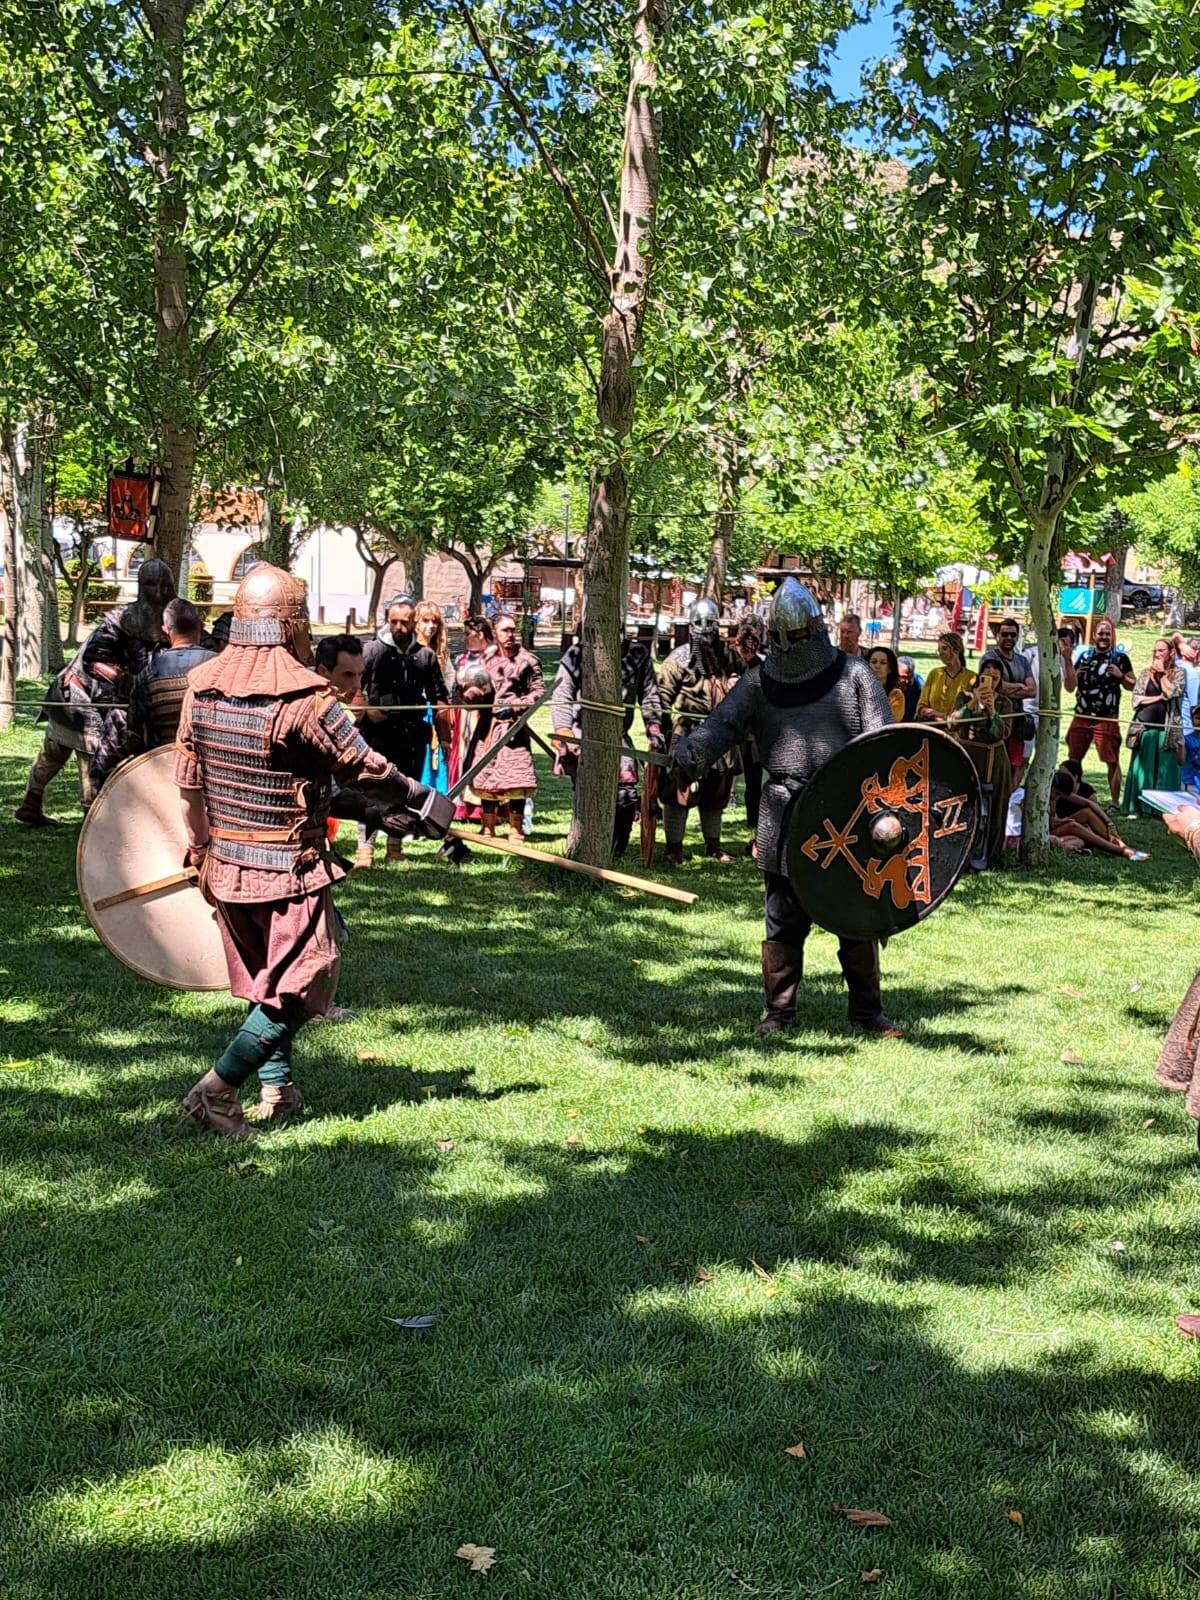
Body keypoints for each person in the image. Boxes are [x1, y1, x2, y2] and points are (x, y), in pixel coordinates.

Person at [175, 564, 451, 1137]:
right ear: (294, 626)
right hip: (288, 871)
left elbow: (189, 786)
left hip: (225, 868)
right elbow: (365, 767)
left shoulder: (201, 689)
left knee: (268, 983)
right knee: (304, 984)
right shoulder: (308, 700)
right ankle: (216, 1091)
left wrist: (200, 849)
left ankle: (277, 1089)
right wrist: (421, 798)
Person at [673, 579, 896, 1035]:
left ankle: (867, 1012)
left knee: (855, 915)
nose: (792, 645)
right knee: (783, 918)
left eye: (797, 636)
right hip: (786, 810)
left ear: (814, 630)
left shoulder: (854, 675)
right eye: (784, 637)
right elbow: (724, 725)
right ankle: (779, 1012)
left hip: (848, 811)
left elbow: (883, 746)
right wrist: (692, 751)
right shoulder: (760, 682)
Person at [15, 558, 176, 824]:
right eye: (151, 585)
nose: (158, 592)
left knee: (56, 751)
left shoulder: (173, 619)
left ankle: (32, 803)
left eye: (164, 585)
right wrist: (124, 679)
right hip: (79, 695)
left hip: (92, 696)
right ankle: (92, 822)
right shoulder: (119, 620)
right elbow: (94, 660)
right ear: (141, 586)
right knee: (87, 757)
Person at [550, 631, 664, 858]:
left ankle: (616, 851)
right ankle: (587, 848)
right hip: (583, 735)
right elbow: (562, 695)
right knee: (590, 794)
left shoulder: (637, 655)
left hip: (618, 736)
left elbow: (649, 694)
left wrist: (654, 727)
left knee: (626, 796)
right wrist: (564, 731)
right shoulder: (577, 654)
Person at [89, 597, 213, 791]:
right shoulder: (220, 666)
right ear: (201, 625)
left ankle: (95, 795)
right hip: (212, 765)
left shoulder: (148, 674)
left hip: (163, 768)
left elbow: (135, 731)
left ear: (165, 630)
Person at [357, 594, 445, 866]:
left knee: (405, 791)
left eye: (404, 622)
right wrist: (368, 709)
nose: (398, 627)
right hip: (377, 735)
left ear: (413, 621)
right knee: (373, 791)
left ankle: (394, 846)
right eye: (394, 621)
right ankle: (365, 850)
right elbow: (353, 689)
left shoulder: (425, 656)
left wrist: (445, 735)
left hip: (412, 736)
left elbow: (439, 697)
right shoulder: (372, 650)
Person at [658, 598, 740, 865]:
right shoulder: (678, 659)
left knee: (716, 791)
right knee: (679, 791)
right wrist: (660, 731)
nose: (705, 629)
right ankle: (673, 848)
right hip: (688, 732)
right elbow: (661, 698)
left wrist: (738, 684)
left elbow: (748, 685)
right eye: (699, 623)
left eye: (710, 623)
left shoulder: (729, 658)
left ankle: (713, 845)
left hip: (721, 733)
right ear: (691, 624)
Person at [473, 611, 544, 839]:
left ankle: (516, 828)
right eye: (505, 630)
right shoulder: (486, 660)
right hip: (488, 728)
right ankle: (488, 826)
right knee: (486, 776)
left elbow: (539, 692)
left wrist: (515, 706)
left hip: (514, 728)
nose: (510, 634)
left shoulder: (528, 661)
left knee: (516, 778)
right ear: (495, 632)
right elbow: (475, 689)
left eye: (513, 629)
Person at [1061, 615, 1135, 810]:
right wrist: (1069, 662)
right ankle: (1073, 797)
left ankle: (1114, 803)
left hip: (1106, 719)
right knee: (1074, 760)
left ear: (1112, 636)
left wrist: (1121, 676)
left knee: (1111, 761)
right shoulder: (1085, 657)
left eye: (1107, 634)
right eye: (1101, 633)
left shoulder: (1120, 658)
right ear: (1094, 635)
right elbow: (1069, 687)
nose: (1103, 637)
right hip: (1081, 716)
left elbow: (1133, 685)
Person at [949, 659, 1011, 869]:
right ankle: (960, 856)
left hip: (994, 761)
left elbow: (1001, 733)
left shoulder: (1005, 703)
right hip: (968, 757)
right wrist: (971, 703)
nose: (990, 680)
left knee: (993, 808)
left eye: (995, 678)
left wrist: (992, 711)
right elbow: (953, 724)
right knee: (965, 804)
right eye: (987, 675)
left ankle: (989, 857)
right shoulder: (963, 696)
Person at [1122, 638, 1184, 816]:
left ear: (1171, 652)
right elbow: (1136, 699)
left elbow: (1171, 692)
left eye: (1161, 651)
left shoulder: (1178, 674)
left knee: (1165, 770)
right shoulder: (1145, 673)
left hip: (1167, 730)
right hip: (1145, 727)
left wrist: (1163, 675)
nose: (1157, 654)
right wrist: (1157, 698)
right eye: (1155, 651)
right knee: (1143, 769)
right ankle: (1137, 807)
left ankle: (1161, 810)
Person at [977, 617, 1036, 785]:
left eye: (1013, 635)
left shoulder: (1022, 661)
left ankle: (1008, 797)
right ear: (997, 637)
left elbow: (1032, 690)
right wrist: (1020, 686)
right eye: (1005, 634)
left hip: (1017, 720)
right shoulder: (989, 658)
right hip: (994, 717)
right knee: (993, 764)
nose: (1009, 638)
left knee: (1015, 764)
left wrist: (1008, 688)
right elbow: (995, 687)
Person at [1051, 770, 1149, 860]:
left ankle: (1120, 844)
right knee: (1074, 830)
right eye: (1057, 794)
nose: (1057, 797)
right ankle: (1120, 850)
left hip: (1055, 826)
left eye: (1059, 795)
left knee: (1086, 815)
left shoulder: (1058, 792)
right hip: (1050, 831)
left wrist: (1109, 822)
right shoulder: (1049, 793)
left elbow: (1089, 803)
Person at [734, 615, 765, 855]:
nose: (747, 649)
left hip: (753, 733)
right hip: (733, 728)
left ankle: (754, 820)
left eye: (752, 644)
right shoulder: (732, 663)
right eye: (744, 644)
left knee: (754, 780)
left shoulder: (761, 666)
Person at [916, 631, 974, 724]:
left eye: (944, 648)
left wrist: (941, 715)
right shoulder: (934, 674)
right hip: (931, 725)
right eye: (939, 650)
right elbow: (921, 707)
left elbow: (970, 710)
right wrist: (939, 717)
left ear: (957, 650)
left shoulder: (971, 678)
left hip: (957, 728)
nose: (940, 653)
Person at [867, 645, 906, 721]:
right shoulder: (856, 690)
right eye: (874, 662)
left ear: (890, 668)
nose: (877, 666)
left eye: (883, 663)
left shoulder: (896, 695)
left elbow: (891, 720)